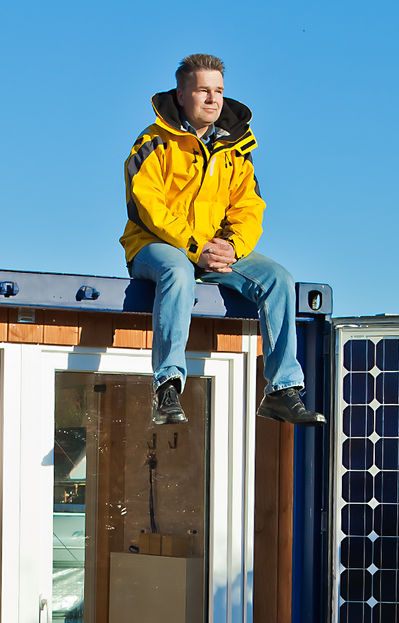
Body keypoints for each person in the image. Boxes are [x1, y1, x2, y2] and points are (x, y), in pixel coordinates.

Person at [121, 53, 324, 427]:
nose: (213, 99)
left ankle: (281, 390)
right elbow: (149, 207)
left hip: (218, 251)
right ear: (182, 95)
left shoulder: (237, 148)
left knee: (278, 279)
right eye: (203, 91)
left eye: (219, 91)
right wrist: (196, 248)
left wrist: (232, 246)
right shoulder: (153, 142)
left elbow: (250, 206)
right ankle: (167, 386)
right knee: (178, 272)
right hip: (156, 246)